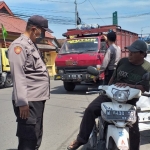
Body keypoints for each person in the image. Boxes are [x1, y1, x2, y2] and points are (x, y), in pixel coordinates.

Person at [67, 39, 150, 150]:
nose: (129, 53)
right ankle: (81, 139)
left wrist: (127, 85)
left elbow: (143, 88)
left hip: (129, 100)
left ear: (142, 54)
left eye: (133, 52)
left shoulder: (147, 68)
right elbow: (112, 78)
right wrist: (107, 88)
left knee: (134, 129)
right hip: (110, 95)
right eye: (129, 51)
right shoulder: (123, 61)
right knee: (90, 110)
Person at [8, 15, 53, 150]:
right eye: (42, 31)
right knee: (28, 139)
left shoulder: (31, 45)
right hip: (28, 101)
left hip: (37, 100)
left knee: (36, 136)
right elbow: (18, 75)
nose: (44, 34)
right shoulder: (19, 46)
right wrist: (22, 102)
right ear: (34, 29)